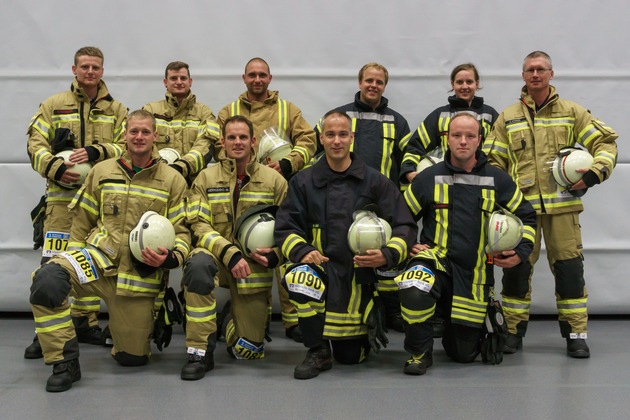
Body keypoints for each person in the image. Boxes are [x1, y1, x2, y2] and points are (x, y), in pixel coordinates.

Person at [29, 110, 190, 392]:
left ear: (155, 137)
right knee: (47, 281)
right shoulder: (102, 171)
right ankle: (64, 362)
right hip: (97, 261)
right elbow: (82, 222)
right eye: (133, 131)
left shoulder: (172, 180)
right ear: (125, 135)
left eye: (145, 132)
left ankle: (125, 330)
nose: (138, 137)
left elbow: (182, 231)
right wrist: (68, 261)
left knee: (132, 358)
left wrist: (171, 258)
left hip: (137, 279)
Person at [482, 51, 619, 358]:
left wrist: (593, 176)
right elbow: (493, 161)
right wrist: (505, 199)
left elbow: (606, 143)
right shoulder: (508, 117)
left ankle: (576, 334)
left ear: (551, 74)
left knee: (570, 270)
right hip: (521, 212)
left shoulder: (572, 112)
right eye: (530, 70)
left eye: (541, 69)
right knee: (516, 271)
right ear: (523, 76)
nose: (535, 74)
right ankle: (513, 333)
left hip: (564, 209)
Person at [274, 111, 417, 380]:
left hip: (357, 279)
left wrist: (386, 255)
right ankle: (317, 350)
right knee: (298, 277)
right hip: (319, 271)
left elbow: (405, 225)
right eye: (330, 135)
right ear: (321, 138)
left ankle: (363, 326)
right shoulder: (303, 181)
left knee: (350, 358)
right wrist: (303, 251)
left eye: (342, 134)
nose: (336, 140)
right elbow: (285, 226)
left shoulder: (375, 181)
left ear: (352, 137)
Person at [399, 113, 536, 375]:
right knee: (414, 284)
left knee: (463, 355)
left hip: (474, 275)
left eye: (470, 136)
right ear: (447, 140)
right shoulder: (428, 178)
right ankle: (418, 353)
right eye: (457, 136)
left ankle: (456, 327)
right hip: (434, 262)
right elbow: (400, 218)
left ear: (479, 140)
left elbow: (527, 216)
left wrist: (520, 252)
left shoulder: (498, 179)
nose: (463, 141)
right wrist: (408, 244)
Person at [25, 46, 128, 359]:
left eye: (96, 67)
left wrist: (98, 152)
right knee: (53, 264)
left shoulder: (118, 109)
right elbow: (34, 144)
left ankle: (84, 322)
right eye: (84, 66)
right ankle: (46, 333)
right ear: (74, 70)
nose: (90, 72)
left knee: (87, 259)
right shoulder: (53, 105)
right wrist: (56, 168)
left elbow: (128, 145)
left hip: (101, 202)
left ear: (102, 71)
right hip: (61, 202)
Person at [217, 57, 318, 341]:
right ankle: (248, 316)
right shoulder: (229, 111)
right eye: (252, 75)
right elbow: (217, 143)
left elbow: (308, 140)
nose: (257, 79)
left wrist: (287, 165)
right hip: (241, 187)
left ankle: (292, 318)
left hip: (280, 187)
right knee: (250, 248)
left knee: (282, 246)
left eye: (262, 75)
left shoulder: (288, 110)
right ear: (244, 78)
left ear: (270, 78)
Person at [181, 115, 287, 380]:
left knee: (247, 351)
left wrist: (276, 254)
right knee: (197, 264)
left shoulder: (275, 181)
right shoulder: (205, 178)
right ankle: (199, 351)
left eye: (243, 137)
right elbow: (197, 223)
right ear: (223, 142)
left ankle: (228, 320)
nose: (237, 142)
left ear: (253, 141)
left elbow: (291, 227)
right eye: (231, 137)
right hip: (216, 257)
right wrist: (229, 252)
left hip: (251, 268)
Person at [313, 62, 411, 332]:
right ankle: (357, 310)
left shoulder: (397, 121)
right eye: (369, 80)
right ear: (359, 82)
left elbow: (408, 159)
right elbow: (315, 149)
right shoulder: (339, 116)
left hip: (383, 200)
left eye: (379, 82)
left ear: (384, 86)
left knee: (387, 260)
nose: (373, 86)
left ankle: (391, 311)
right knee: (350, 255)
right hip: (345, 198)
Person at [400, 63, 499, 184]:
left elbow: (500, 152)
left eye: (469, 82)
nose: (464, 86)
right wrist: (409, 171)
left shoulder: (490, 115)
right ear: (452, 84)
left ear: (477, 84)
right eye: (459, 82)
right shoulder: (439, 115)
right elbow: (416, 145)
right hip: (446, 182)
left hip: (481, 181)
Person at [143, 61, 220, 183]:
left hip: (194, 183)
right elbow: (143, 144)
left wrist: (181, 167)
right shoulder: (150, 110)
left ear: (190, 81)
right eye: (173, 78)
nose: (179, 82)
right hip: (157, 180)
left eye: (183, 78)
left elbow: (205, 146)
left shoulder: (204, 112)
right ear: (165, 82)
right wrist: (162, 168)